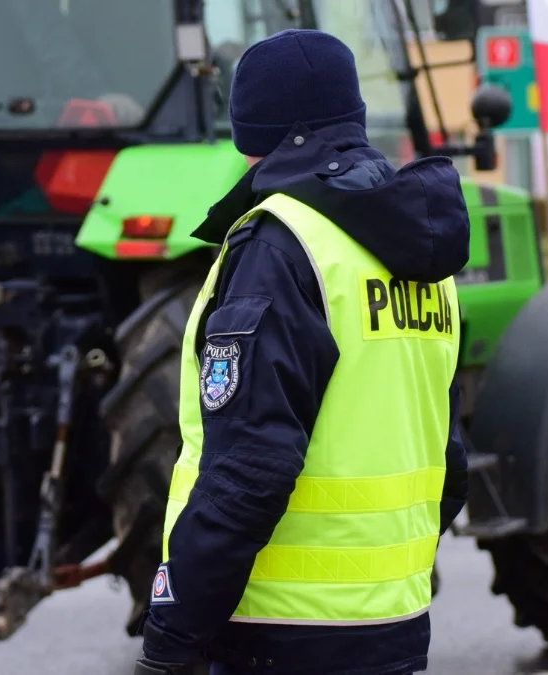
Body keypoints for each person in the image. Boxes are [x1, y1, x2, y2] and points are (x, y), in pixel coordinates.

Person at [132, 29, 471, 675]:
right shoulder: (425, 260)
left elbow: (249, 469)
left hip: (279, 633)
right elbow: (446, 457)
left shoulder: (280, 245)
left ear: (251, 132)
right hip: (392, 624)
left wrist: (170, 640)